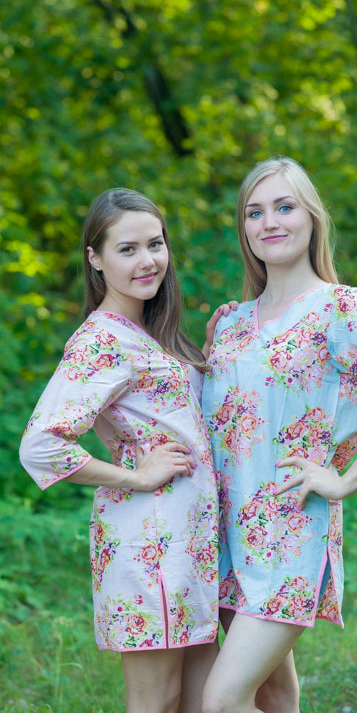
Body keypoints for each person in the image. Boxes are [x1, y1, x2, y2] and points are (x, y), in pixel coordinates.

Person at [200, 157, 357, 713]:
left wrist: (342, 481)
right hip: (226, 537)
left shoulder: (340, 308)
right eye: (254, 212)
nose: (270, 222)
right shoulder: (233, 322)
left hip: (289, 536)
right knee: (274, 693)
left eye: (284, 207)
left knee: (221, 701)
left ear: (311, 218)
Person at [19, 188, 234, 713]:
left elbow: (180, 419)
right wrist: (135, 477)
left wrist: (205, 355)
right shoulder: (101, 341)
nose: (148, 261)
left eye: (155, 244)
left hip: (189, 544)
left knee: (202, 700)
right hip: (150, 544)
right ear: (95, 259)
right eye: (127, 249)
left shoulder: (149, 333)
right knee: (156, 702)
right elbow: (41, 445)